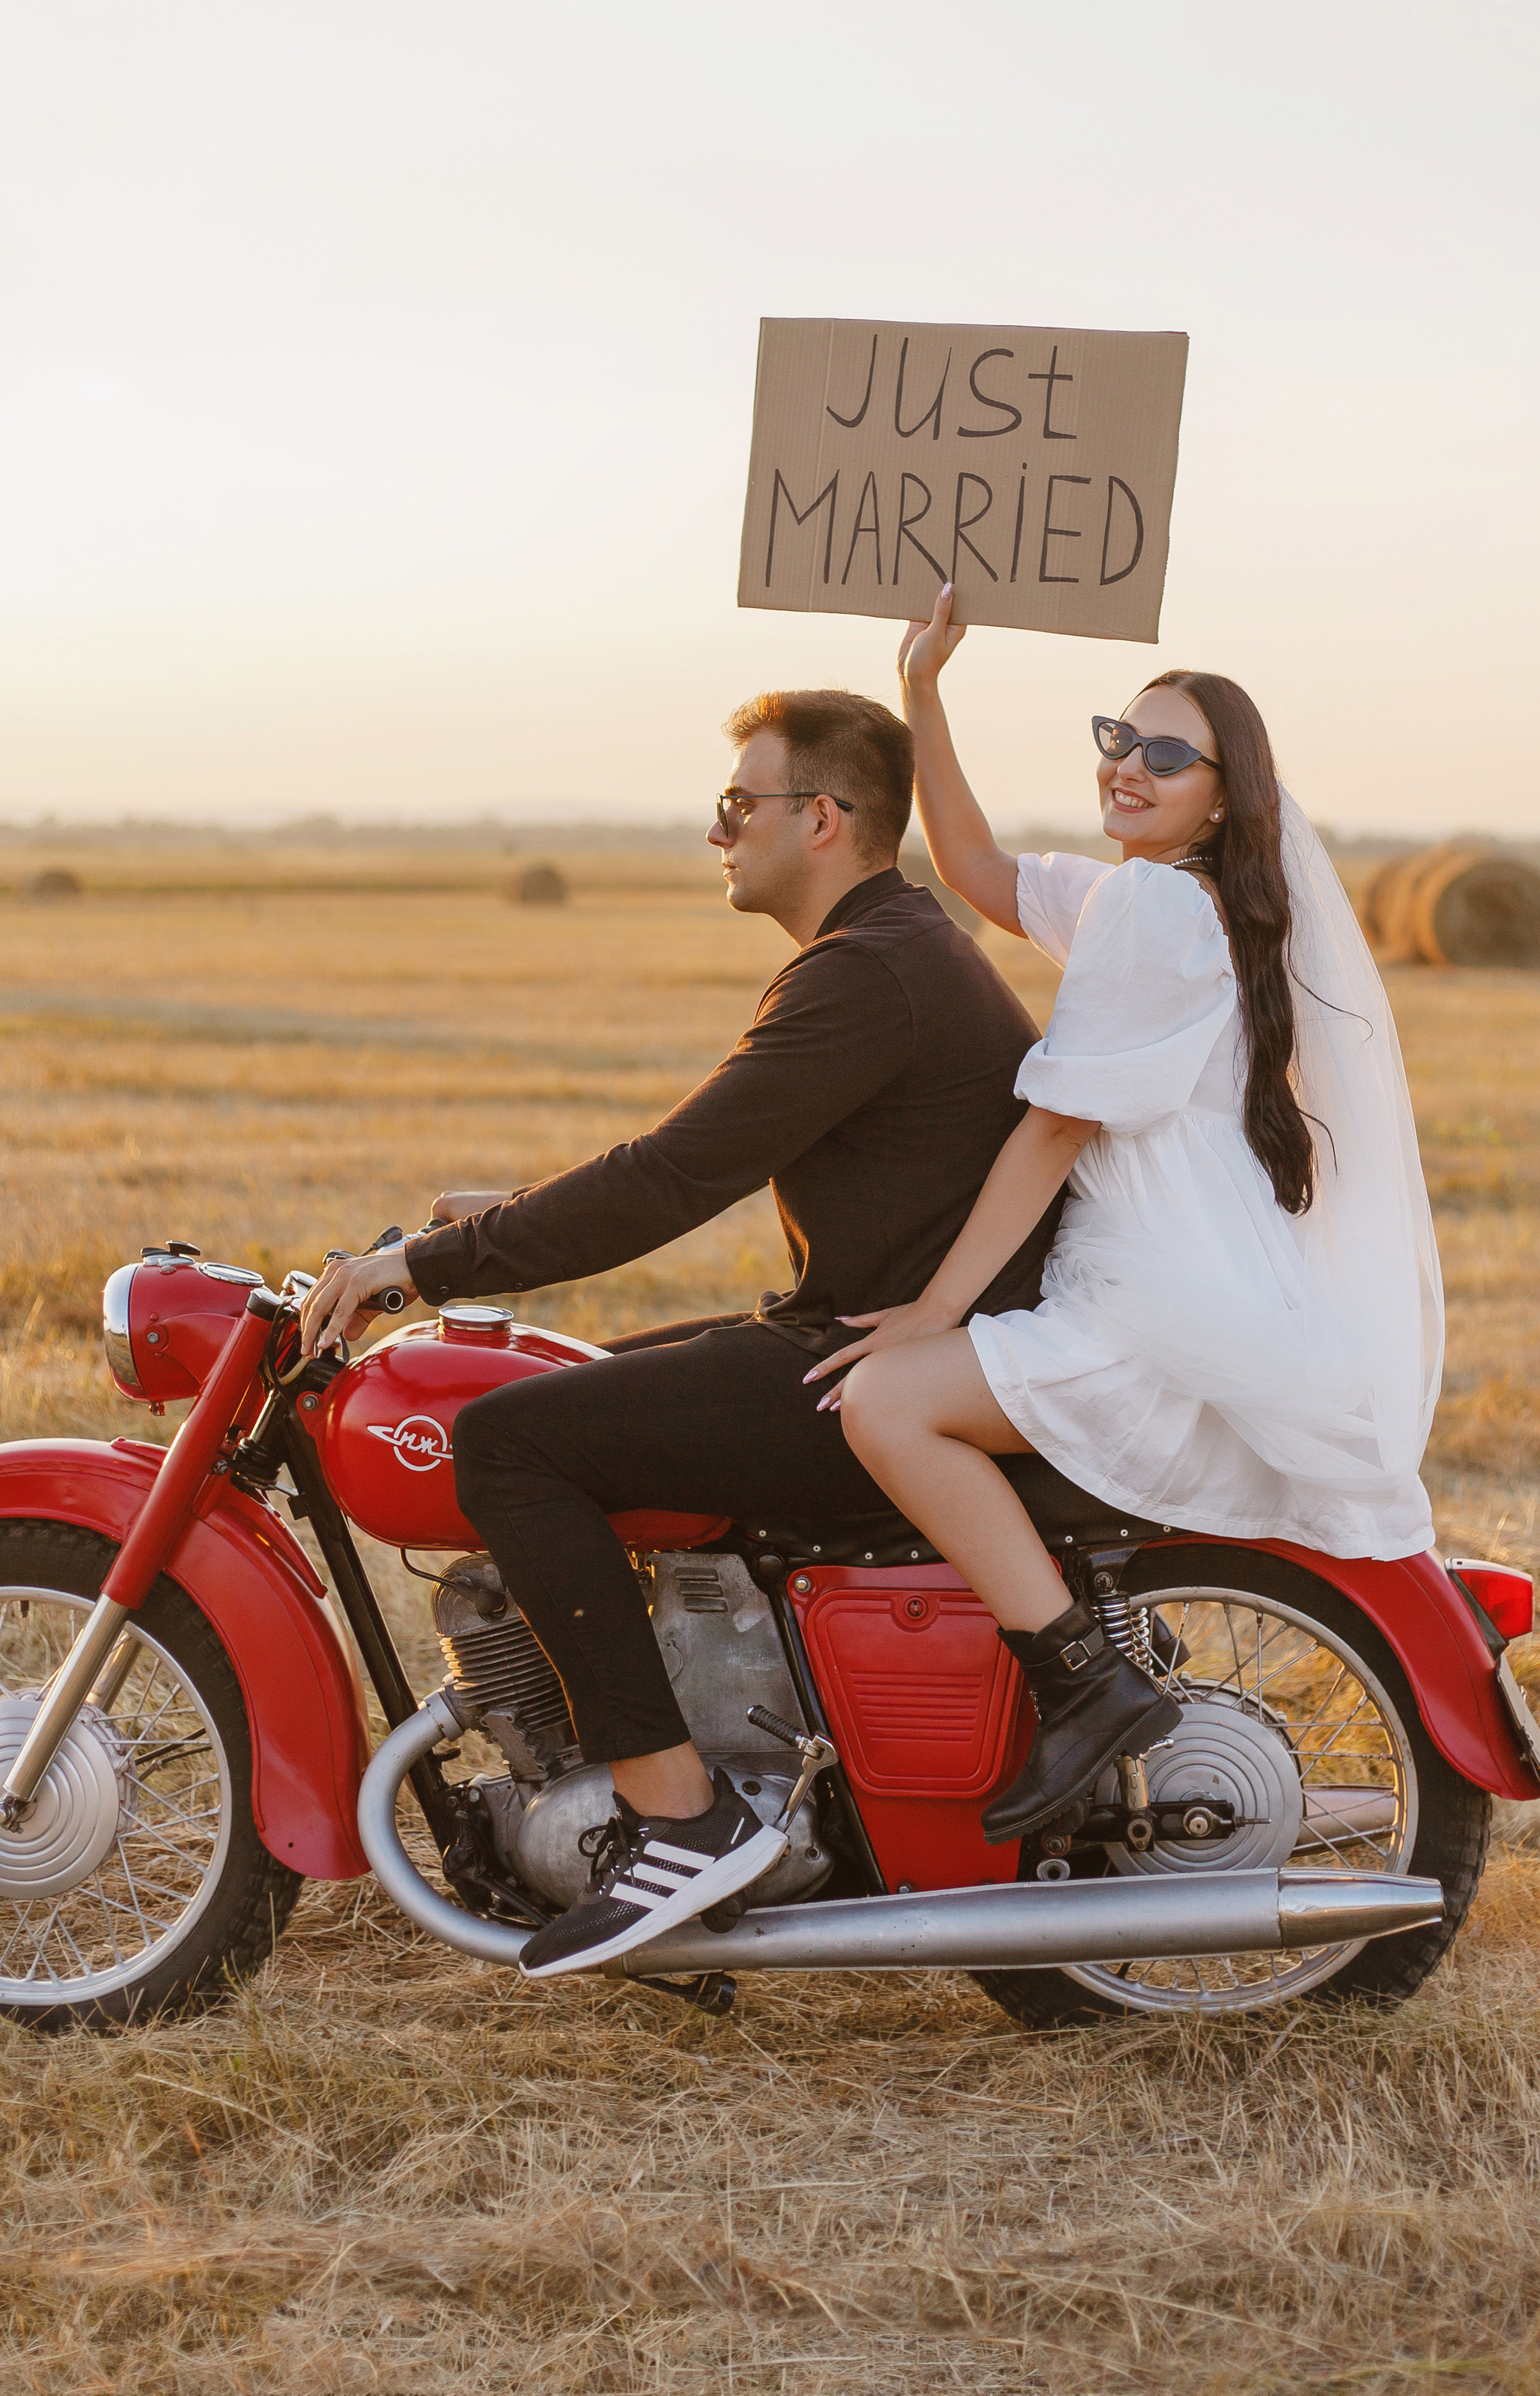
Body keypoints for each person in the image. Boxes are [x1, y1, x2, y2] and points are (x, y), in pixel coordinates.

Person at [299, 688, 1064, 1976]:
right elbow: (693, 1157)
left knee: (507, 1445)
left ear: (822, 819)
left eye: (736, 807)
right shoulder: (888, 950)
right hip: (869, 1341)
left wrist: (418, 1269)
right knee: (598, 1381)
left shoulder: (867, 973)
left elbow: (670, 1178)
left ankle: (677, 1817)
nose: (718, 835)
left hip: (882, 1370)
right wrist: (512, 1218)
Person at [806, 585, 1444, 1846]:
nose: (1128, 767)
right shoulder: (1149, 897)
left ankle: (1078, 1684)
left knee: (888, 1400)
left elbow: (1057, 1124)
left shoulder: (1156, 906)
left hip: (1151, 1292)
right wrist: (923, 694)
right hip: (1195, 1274)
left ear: (1225, 792)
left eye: (1166, 754)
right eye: (1118, 737)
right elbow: (980, 873)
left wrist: (935, 1308)